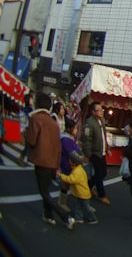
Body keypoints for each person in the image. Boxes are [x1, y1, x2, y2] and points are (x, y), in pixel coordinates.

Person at [25, 92, 75, 229]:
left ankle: (65, 216)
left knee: (44, 192)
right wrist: (57, 165)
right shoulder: (54, 123)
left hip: (41, 160)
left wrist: (25, 132)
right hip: (52, 161)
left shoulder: (36, 119)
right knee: (45, 190)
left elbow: (32, 140)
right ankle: (48, 215)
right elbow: (58, 146)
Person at [82, 102, 112, 205]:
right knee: (99, 174)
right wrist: (87, 155)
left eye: (101, 110)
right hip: (95, 153)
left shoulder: (102, 121)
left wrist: (107, 148)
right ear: (93, 112)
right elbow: (86, 140)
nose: (100, 112)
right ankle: (101, 195)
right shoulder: (89, 123)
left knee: (103, 173)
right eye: (98, 110)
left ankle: (88, 185)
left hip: (102, 151)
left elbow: (104, 136)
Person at [58, 152, 97, 225]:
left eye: (70, 160)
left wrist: (61, 176)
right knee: (79, 206)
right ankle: (79, 218)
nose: (69, 161)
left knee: (86, 207)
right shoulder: (79, 169)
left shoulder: (77, 172)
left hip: (82, 194)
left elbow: (71, 180)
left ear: (74, 163)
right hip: (81, 193)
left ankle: (93, 218)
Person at [59, 119, 83, 211]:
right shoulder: (66, 140)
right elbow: (72, 154)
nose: (76, 131)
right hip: (67, 164)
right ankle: (62, 202)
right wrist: (82, 159)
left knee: (70, 184)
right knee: (67, 184)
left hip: (70, 164)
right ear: (69, 129)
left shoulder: (71, 138)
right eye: (75, 129)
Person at [18, 93, 33, 166]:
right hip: (26, 130)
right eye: (31, 99)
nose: (32, 100)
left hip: (28, 129)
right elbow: (25, 120)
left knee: (28, 146)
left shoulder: (30, 109)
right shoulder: (27, 109)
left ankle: (23, 158)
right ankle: (21, 159)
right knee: (27, 146)